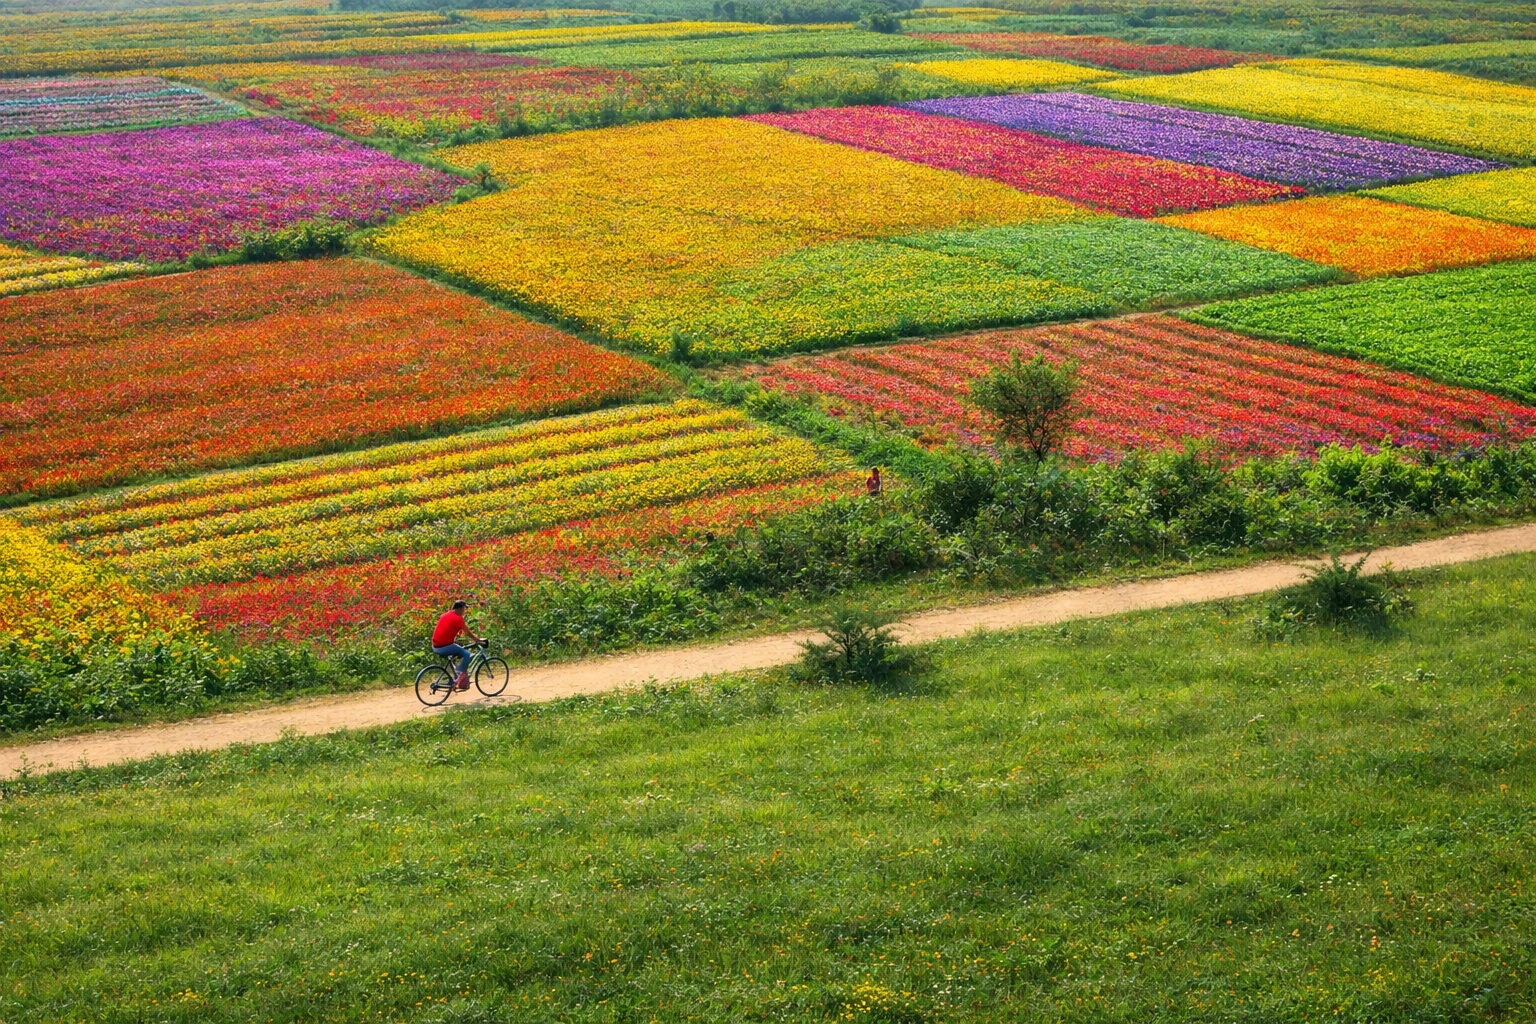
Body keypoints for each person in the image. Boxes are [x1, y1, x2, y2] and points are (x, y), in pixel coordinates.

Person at [432, 599, 484, 691]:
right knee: (466, 654)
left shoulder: (446, 615)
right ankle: (460, 675)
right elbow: (467, 633)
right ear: (460, 609)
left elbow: (447, 629)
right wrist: (477, 640)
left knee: (459, 652)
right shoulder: (457, 619)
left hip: (436, 645)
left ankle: (453, 679)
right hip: (444, 646)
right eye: (464, 609)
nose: (464, 611)